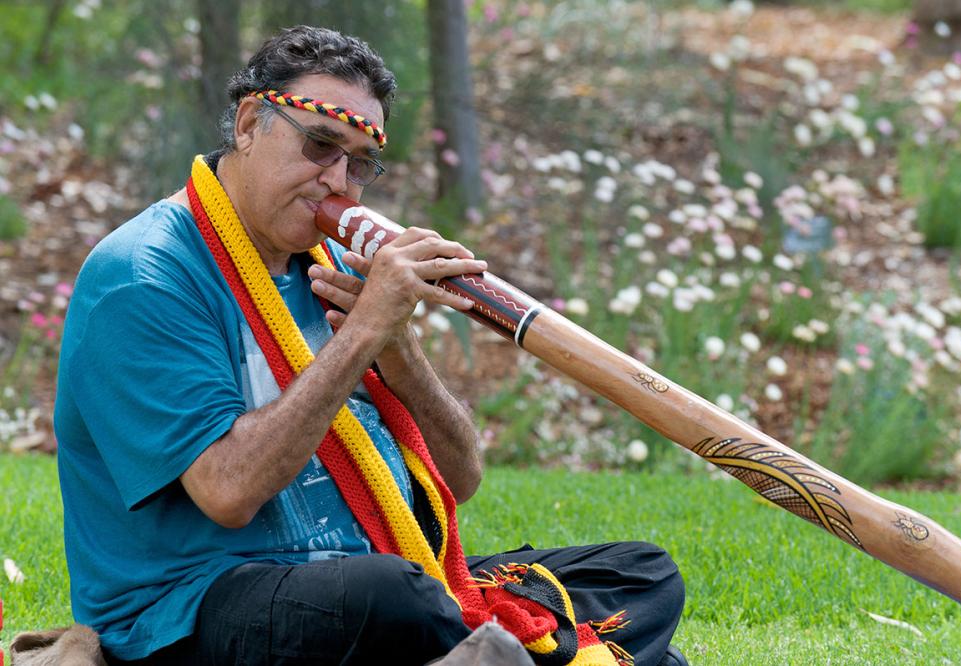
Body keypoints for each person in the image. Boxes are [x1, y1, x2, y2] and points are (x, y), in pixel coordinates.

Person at [54, 26, 686, 666]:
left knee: (641, 573)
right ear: (249, 123)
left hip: (373, 572)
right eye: (320, 145)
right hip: (191, 610)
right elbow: (227, 489)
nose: (338, 182)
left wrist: (399, 349)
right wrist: (361, 332)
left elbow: (461, 479)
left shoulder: (330, 266)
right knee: (396, 598)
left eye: (360, 164)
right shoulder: (143, 274)